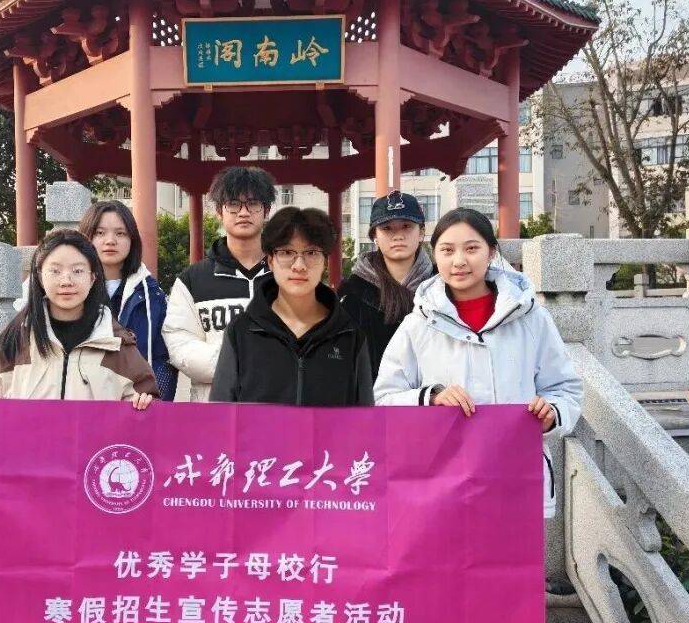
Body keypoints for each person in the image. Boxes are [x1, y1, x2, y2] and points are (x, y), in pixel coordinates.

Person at [373, 207, 583, 517]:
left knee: (512, 549)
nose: (459, 261)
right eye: (447, 250)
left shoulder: (531, 318)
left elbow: (566, 388)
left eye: (471, 249)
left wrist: (551, 414)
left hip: (515, 480)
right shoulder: (417, 325)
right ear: (435, 256)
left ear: (491, 252)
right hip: (441, 487)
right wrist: (430, 397)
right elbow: (384, 399)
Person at [0, 230, 158, 406]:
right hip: (25, 455)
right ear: (39, 277)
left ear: (93, 278)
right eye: (55, 271)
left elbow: (148, 407)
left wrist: (145, 403)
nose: (66, 281)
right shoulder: (15, 341)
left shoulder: (117, 343)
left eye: (78, 271)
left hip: (92, 455)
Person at [210, 207, 373, 406]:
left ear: (325, 262)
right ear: (270, 260)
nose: (299, 266)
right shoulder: (241, 332)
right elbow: (221, 414)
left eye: (311, 252)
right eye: (287, 252)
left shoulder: (350, 336)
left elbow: (365, 418)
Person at [163, 166, 276, 402]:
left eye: (253, 204)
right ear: (218, 211)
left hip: (277, 409)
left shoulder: (289, 276)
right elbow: (179, 343)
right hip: (214, 409)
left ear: (266, 210)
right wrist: (237, 363)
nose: (243, 212)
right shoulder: (192, 280)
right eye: (233, 204)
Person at [78, 200, 177, 401]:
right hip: (81, 405)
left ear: (132, 239)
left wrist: (153, 399)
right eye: (100, 233)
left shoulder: (152, 296)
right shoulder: (68, 292)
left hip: (135, 407)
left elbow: (163, 360)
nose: (110, 241)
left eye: (120, 233)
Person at [338, 190, 435, 378]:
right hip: (371, 393)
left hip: (433, 393)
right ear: (374, 236)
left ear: (421, 233)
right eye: (387, 228)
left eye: (406, 226)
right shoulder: (351, 295)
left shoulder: (442, 287)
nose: (398, 236)